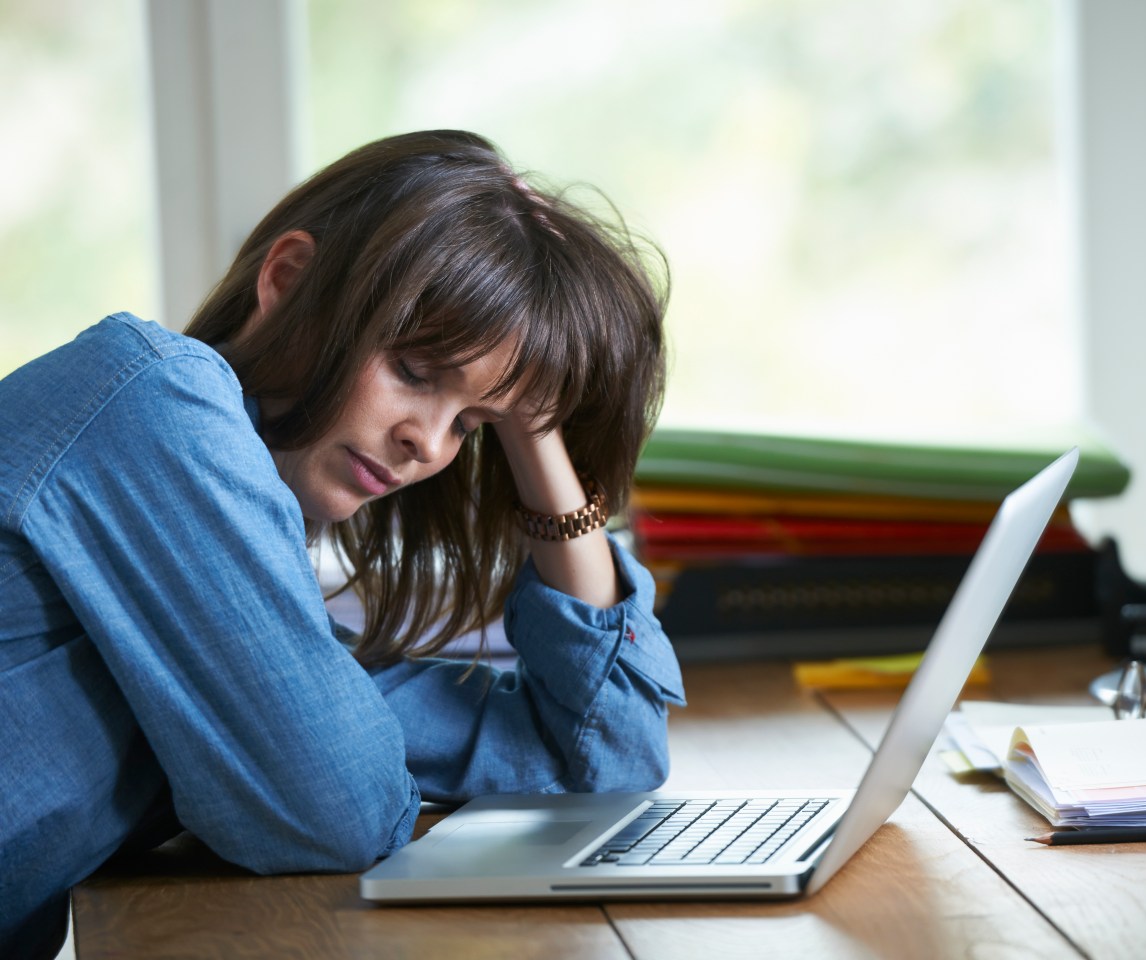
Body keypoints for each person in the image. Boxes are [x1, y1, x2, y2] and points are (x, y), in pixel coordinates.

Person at [0, 129, 685, 958]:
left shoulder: (234, 611)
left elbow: (601, 762)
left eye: (471, 425)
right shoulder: (151, 401)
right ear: (289, 282)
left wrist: (533, 428)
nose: (428, 446)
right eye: (416, 371)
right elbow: (336, 812)